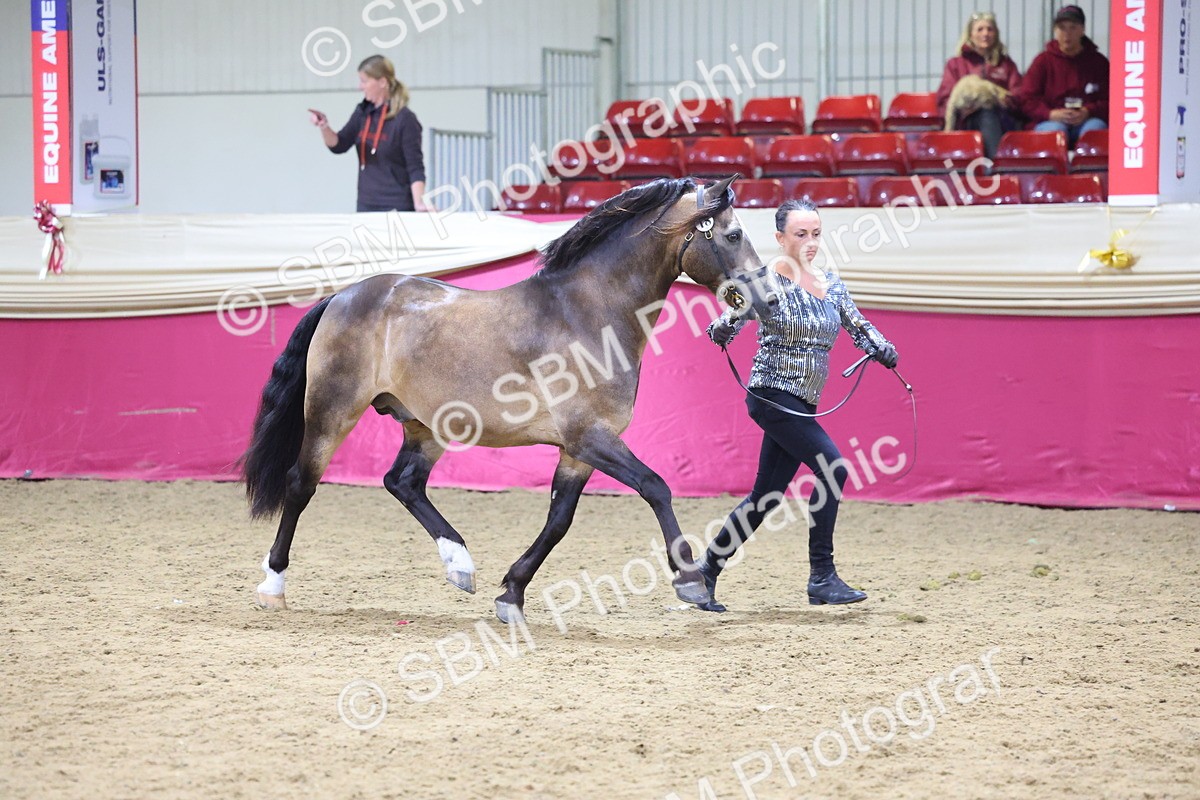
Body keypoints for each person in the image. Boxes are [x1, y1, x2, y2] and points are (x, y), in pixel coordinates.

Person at [697, 199, 899, 612]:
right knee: (833, 467)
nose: (810, 242)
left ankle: (705, 571)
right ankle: (822, 575)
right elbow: (725, 322)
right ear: (780, 238)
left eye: (816, 234)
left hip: (803, 403)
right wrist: (723, 328)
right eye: (800, 234)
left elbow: (859, 326)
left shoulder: (832, 285)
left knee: (765, 497)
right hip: (771, 395)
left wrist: (882, 348)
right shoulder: (764, 282)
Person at [309, 55, 429, 212]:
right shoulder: (362, 113)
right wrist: (324, 126)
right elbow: (339, 145)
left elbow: (415, 166)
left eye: (364, 81)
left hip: (397, 204)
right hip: (366, 204)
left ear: (382, 82)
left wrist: (419, 203)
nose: (360, 87)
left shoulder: (405, 119)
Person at [935, 11, 1024, 159]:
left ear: (996, 34)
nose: (985, 33)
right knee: (984, 114)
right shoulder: (955, 64)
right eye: (980, 29)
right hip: (964, 122)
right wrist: (963, 110)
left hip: (1002, 119)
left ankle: (993, 164)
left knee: (987, 112)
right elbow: (944, 99)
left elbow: (1019, 96)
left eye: (990, 29)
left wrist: (1002, 101)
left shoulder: (1006, 64)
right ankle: (995, 165)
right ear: (970, 34)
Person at [1016, 5, 1109, 147]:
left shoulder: (1099, 62)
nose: (1067, 33)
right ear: (1055, 30)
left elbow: (1111, 100)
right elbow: (1026, 99)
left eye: (1073, 27)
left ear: (1083, 30)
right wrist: (1050, 114)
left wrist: (1088, 111)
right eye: (1062, 28)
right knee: (1055, 132)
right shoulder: (1042, 61)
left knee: (1094, 130)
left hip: (1088, 121)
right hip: (1050, 121)